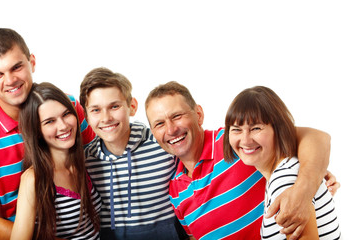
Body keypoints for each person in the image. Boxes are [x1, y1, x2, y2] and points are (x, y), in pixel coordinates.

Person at [145, 81, 338, 240]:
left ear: (199, 114)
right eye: (159, 124)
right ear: (153, 132)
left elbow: (316, 138)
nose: (170, 130)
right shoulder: (175, 190)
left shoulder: (237, 142)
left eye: (177, 116)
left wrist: (304, 188)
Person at [0, 28, 95, 239]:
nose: (10, 80)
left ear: (32, 63)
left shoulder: (68, 108)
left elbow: (96, 166)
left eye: (16, 67)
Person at [79, 67, 188, 240]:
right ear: (86, 115)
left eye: (114, 106)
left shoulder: (163, 144)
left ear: (132, 106)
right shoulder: (86, 160)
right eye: (96, 110)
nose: (106, 118)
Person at [223, 86, 341, 239]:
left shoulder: (285, 179)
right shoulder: (286, 171)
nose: (245, 140)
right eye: (236, 129)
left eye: (256, 128)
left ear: (278, 129)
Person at [10, 82, 101, 240]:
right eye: (50, 121)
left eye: (66, 114)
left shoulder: (84, 162)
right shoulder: (33, 179)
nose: (63, 126)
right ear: (37, 131)